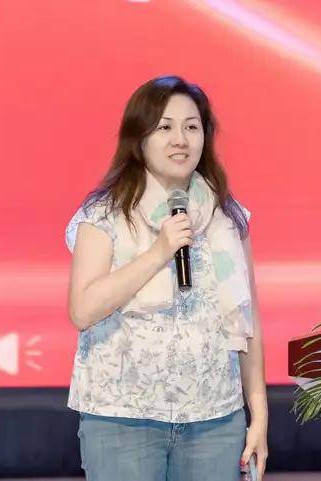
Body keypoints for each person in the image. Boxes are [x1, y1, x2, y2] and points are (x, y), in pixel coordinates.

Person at [64, 75, 268, 481]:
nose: (181, 140)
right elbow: (83, 310)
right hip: (123, 419)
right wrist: (159, 252)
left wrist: (258, 413)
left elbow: (249, 321)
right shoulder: (104, 214)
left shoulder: (227, 217)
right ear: (139, 138)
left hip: (215, 419)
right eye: (165, 127)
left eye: (192, 127)